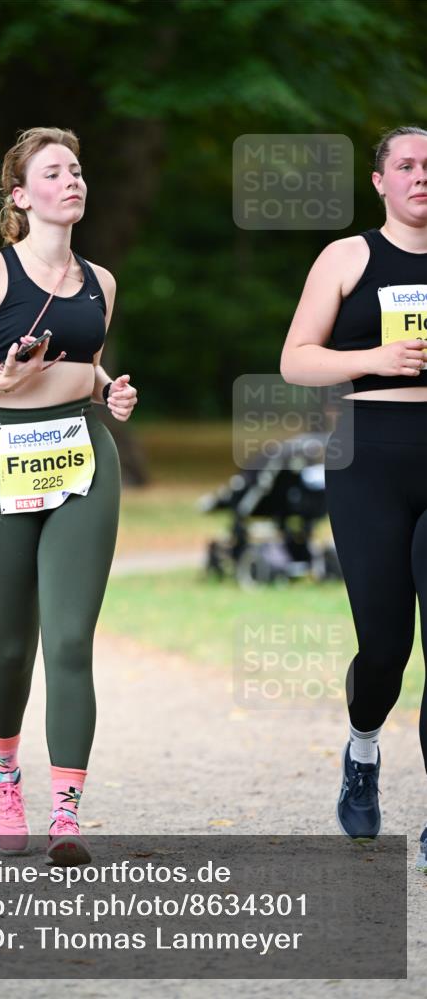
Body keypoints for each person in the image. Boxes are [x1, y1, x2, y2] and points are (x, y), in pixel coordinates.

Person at [0, 127, 138, 864]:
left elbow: (89, 362)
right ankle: (4, 774)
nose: (71, 180)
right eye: (53, 172)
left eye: (77, 169)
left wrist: (113, 390)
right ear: (21, 196)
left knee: (70, 640)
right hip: (0, 456)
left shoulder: (100, 281)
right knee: (13, 646)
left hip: (81, 455)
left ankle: (66, 814)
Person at [280, 126, 427, 871]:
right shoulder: (347, 257)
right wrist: (375, 358)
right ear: (378, 181)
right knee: (384, 648)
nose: (419, 175)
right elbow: (295, 358)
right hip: (366, 454)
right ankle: (362, 748)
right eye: (404, 164)